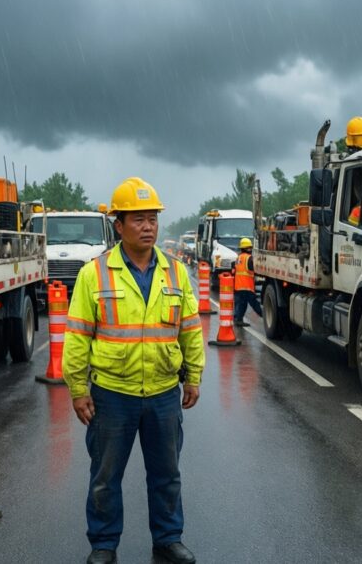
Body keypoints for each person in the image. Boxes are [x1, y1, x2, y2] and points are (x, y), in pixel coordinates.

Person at [63, 177, 205, 564]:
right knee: (105, 479)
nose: (148, 227)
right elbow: (77, 336)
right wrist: (78, 388)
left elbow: (190, 329)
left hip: (162, 393)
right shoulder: (95, 274)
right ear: (118, 225)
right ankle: (104, 545)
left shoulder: (175, 273)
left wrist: (193, 376)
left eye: (153, 219)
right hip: (112, 395)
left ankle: (168, 538)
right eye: (138, 219)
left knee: (167, 476)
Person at [232, 237, 262, 327]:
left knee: (240, 303)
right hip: (247, 287)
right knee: (253, 303)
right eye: (249, 248)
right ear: (245, 248)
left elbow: (234, 271)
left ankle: (238, 318)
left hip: (238, 286)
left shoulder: (238, 258)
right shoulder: (249, 259)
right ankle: (262, 314)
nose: (250, 250)